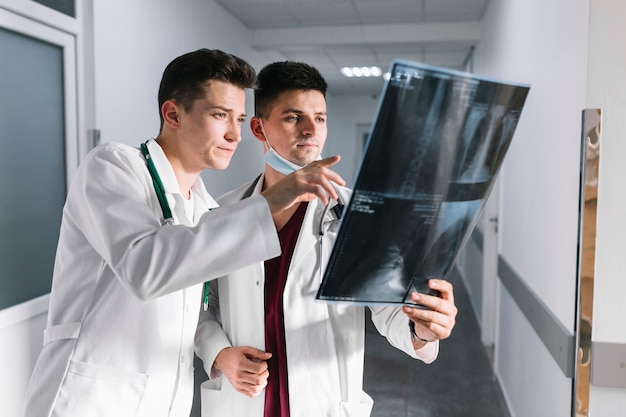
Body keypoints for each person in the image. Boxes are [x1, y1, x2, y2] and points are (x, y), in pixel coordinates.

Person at [22, 49, 346, 417]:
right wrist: (271, 202)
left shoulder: (205, 208)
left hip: (164, 401)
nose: (234, 134)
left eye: (239, 118)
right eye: (219, 115)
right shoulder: (113, 167)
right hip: (90, 399)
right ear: (173, 114)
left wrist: (219, 352)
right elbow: (146, 268)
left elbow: (195, 310)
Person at [194, 61, 458, 417]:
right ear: (258, 128)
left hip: (324, 403)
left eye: (319, 118)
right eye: (293, 117)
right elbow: (198, 305)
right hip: (242, 402)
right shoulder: (224, 212)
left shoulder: (357, 215)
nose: (310, 130)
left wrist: (423, 330)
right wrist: (219, 354)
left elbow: (387, 310)